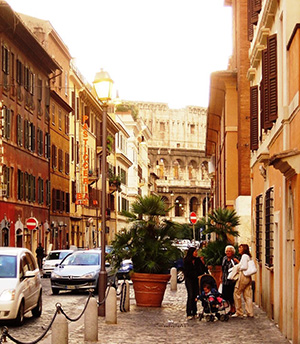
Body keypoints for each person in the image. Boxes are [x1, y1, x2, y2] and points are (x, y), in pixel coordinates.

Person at [183, 246, 208, 319]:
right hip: (189, 280)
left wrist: (203, 263)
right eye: (195, 252)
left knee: (195, 296)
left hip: (197, 280)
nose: (196, 253)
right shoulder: (187, 261)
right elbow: (187, 272)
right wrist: (195, 275)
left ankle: (194, 312)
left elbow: (203, 269)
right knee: (190, 295)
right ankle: (189, 312)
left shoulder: (198, 260)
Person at [232, 244, 254, 318]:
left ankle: (239, 311)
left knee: (237, 292)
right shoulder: (248, 256)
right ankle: (250, 312)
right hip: (248, 276)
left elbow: (244, 267)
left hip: (243, 276)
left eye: (240, 248)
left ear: (244, 249)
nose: (239, 249)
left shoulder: (244, 256)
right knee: (247, 294)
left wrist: (238, 267)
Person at [221, 245, 239, 315]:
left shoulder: (235, 259)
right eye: (227, 251)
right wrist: (221, 276)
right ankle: (230, 307)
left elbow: (239, 268)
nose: (228, 253)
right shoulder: (224, 258)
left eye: (229, 251)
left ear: (232, 252)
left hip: (232, 280)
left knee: (231, 295)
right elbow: (222, 268)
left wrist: (237, 262)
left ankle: (233, 308)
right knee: (225, 295)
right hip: (225, 279)